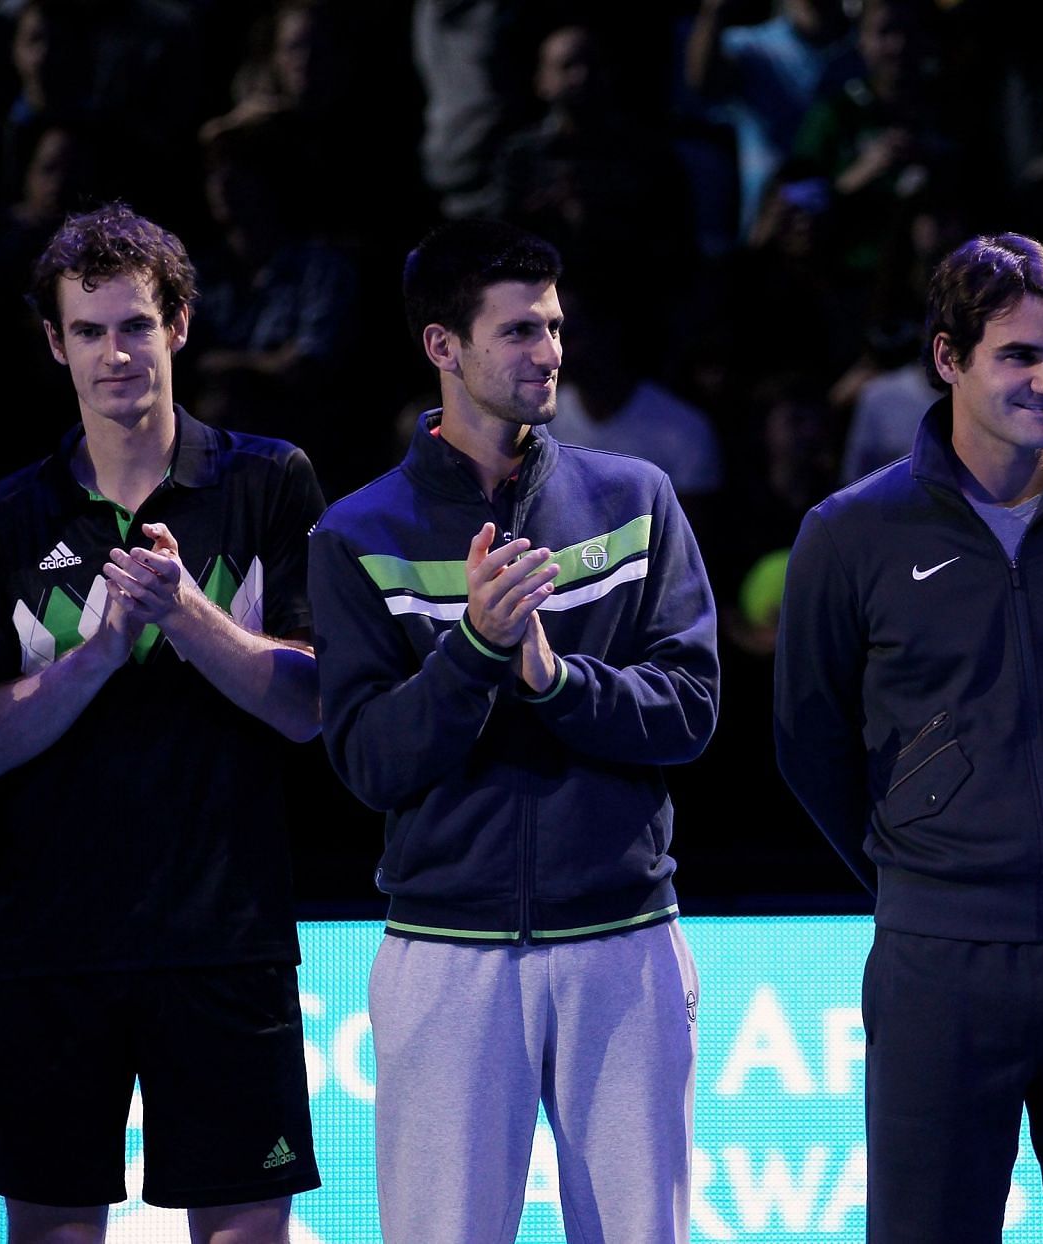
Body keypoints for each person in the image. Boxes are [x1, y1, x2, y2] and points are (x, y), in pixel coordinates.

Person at [774, 233, 1043, 1242]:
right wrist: (925, 863)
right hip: (939, 960)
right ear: (949, 358)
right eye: (1019, 355)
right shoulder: (850, 532)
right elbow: (807, 740)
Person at [307, 220, 719, 1244]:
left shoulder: (636, 499)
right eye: (521, 331)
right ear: (444, 346)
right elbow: (368, 758)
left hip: (624, 937)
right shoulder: (359, 533)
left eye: (555, 325)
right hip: (446, 949)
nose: (552, 352)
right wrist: (477, 651)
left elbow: (691, 707)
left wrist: (553, 675)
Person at [0, 203, 324, 1241]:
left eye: (137, 325)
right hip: (53, 944)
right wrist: (99, 652)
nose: (117, 353)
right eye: (91, 331)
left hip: (227, 935)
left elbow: (310, 707)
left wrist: (183, 611)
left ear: (179, 325)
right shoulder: (0, 519)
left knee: (244, 1228)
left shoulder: (269, 482)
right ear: (55, 344)